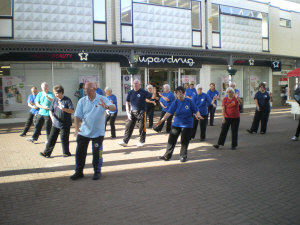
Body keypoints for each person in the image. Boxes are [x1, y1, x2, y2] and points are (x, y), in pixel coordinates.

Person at [70, 82, 115, 181]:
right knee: (80, 153)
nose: (86, 91)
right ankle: (79, 172)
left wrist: (107, 107)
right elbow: (77, 116)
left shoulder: (102, 98)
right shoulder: (82, 101)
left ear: (94, 89)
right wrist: (76, 128)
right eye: (85, 89)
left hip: (98, 133)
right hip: (84, 131)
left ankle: (97, 171)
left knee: (96, 153)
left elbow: (113, 108)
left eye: (88, 89)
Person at [156, 86, 203, 162]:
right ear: (176, 94)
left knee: (184, 141)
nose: (179, 95)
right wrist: (162, 120)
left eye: (181, 93)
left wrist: (198, 115)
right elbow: (169, 112)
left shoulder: (189, 101)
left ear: (184, 93)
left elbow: (196, 110)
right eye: (178, 93)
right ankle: (167, 156)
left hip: (187, 124)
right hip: (177, 124)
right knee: (171, 140)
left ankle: (183, 156)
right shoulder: (175, 102)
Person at [118, 79, 155, 147]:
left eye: (136, 83)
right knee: (128, 126)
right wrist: (128, 113)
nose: (135, 85)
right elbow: (127, 102)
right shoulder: (130, 92)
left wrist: (153, 92)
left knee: (142, 127)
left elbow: (151, 97)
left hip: (142, 111)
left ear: (139, 84)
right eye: (134, 83)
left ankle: (142, 141)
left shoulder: (143, 92)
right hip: (132, 112)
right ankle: (125, 141)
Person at [40, 85, 74, 158]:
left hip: (65, 123)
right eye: (55, 93)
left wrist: (64, 109)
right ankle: (46, 153)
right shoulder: (54, 100)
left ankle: (66, 153)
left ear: (61, 92)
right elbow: (50, 110)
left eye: (57, 93)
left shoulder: (67, 100)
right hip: (55, 123)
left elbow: (72, 111)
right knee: (51, 138)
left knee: (64, 138)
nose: (56, 95)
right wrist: (52, 118)